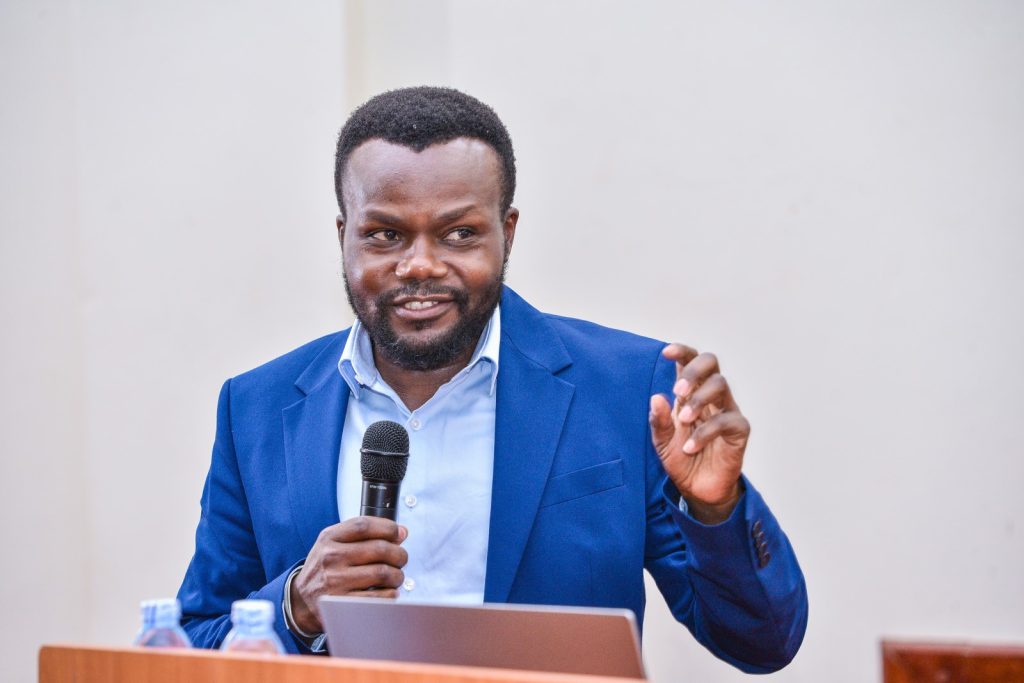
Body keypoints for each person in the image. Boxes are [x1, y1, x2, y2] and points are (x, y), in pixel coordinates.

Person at [176, 86, 808, 673]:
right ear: (345, 237)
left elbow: (761, 644)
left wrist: (715, 509)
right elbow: (189, 642)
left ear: (506, 233)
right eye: (384, 234)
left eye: (458, 233)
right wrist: (294, 605)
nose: (419, 265)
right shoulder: (254, 409)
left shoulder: (630, 392)